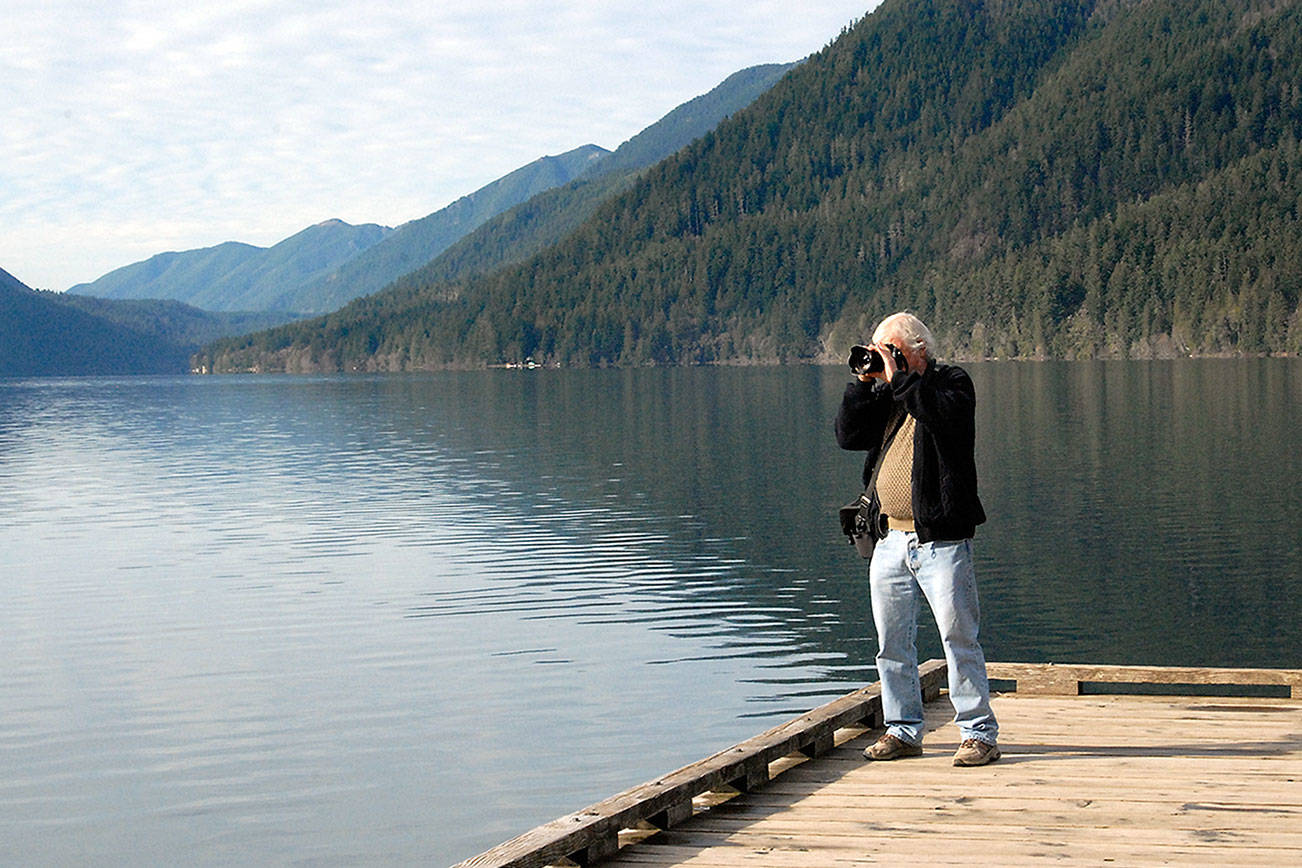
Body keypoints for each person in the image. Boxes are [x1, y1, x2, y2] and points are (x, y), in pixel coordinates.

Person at [834, 312, 1000, 767]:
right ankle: (903, 730)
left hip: (941, 541)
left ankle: (978, 734)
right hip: (890, 539)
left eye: (891, 349)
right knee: (891, 643)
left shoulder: (951, 384)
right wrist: (864, 384)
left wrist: (901, 379)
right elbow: (847, 436)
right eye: (878, 349)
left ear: (917, 350)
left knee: (958, 638)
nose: (883, 358)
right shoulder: (889, 394)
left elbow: (939, 416)